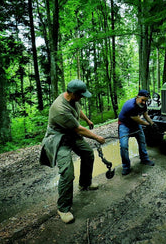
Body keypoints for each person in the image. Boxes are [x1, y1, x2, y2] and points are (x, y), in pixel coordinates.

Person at [40, 79, 106, 224]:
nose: (82, 98)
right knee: (68, 173)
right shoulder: (59, 109)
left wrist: (87, 120)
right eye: (81, 95)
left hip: (71, 134)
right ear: (74, 93)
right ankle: (63, 208)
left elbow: (78, 110)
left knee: (88, 153)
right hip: (59, 139)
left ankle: (85, 183)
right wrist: (97, 137)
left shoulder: (73, 99)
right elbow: (78, 129)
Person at [118, 90, 155, 175]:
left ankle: (144, 159)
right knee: (123, 146)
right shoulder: (130, 106)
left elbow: (146, 115)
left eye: (146, 101)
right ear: (137, 97)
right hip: (125, 125)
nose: (144, 102)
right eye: (142, 100)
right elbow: (138, 119)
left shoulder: (143, 105)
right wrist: (148, 125)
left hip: (135, 124)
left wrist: (153, 124)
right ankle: (126, 166)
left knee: (142, 141)